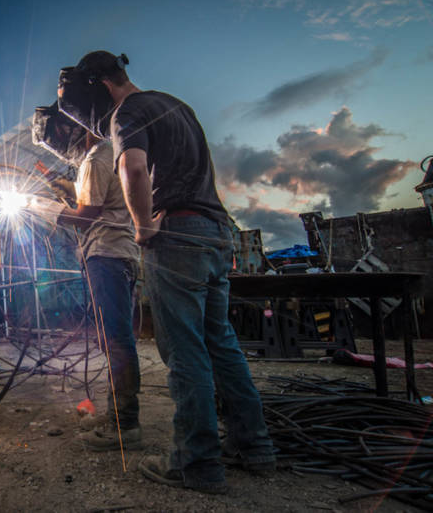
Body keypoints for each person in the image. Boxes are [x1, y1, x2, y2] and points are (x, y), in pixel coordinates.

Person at [59, 51, 274, 494]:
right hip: (215, 231)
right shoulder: (178, 106)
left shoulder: (127, 112)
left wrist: (143, 227)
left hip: (177, 233)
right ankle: (254, 446)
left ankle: (196, 463)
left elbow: (133, 167)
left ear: (101, 85)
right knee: (221, 344)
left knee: (184, 349)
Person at [30, 102, 142, 451]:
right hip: (115, 253)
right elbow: (94, 201)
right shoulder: (104, 154)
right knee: (114, 339)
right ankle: (119, 417)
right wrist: (61, 186)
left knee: (117, 340)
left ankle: (125, 426)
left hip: (107, 254)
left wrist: (37, 206)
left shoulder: (95, 158)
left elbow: (84, 217)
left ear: (70, 129)